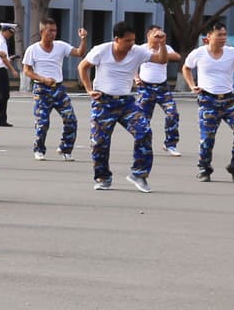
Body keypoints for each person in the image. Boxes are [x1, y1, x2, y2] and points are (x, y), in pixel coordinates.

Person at [80, 22, 180, 192]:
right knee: (99, 143)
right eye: (127, 41)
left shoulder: (138, 52)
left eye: (133, 40)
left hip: (126, 103)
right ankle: (103, 178)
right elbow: (83, 66)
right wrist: (89, 89)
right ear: (116, 39)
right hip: (103, 102)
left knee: (144, 132)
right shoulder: (101, 50)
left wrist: (162, 44)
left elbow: (162, 60)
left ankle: (139, 174)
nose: (131, 45)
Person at [182, 20, 234, 182]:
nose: (223, 38)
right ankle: (204, 169)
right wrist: (192, 85)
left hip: (229, 101)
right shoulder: (199, 53)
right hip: (208, 100)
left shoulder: (232, 52)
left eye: (224, 35)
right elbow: (186, 67)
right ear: (209, 36)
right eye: (219, 35)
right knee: (207, 137)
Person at [22, 19, 85, 161]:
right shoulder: (33, 49)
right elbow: (27, 71)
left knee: (71, 119)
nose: (53, 33)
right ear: (42, 32)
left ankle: (65, 149)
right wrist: (43, 79)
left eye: (55, 30)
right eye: (50, 30)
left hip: (59, 89)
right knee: (43, 122)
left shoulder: (61, 46)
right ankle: (39, 149)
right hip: (41, 89)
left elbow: (80, 52)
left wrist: (83, 39)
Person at [134, 27, 184, 157]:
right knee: (144, 119)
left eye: (160, 35)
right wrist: (136, 78)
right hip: (145, 87)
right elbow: (132, 64)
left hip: (162, 87)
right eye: (155, 35)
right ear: (148, 35)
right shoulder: (141, 49)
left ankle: (170, 144)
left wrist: (162, 45)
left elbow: (177, 57)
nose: (158, 37)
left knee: (172, 114)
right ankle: (144, 145)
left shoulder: (165, 47)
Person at [0, 22, 17, 126]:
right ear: (6, 31)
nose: (10, 36)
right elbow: (3, 59)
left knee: (3, 95)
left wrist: (10, 58)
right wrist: (12, 70)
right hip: (0, 70)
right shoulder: (0, 41)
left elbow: (3, 57)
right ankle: (1, 119)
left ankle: (1, 118)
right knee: (3, 95)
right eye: (10, 34)